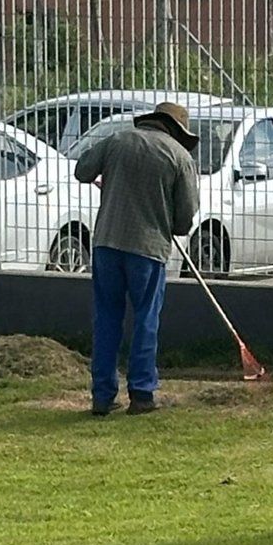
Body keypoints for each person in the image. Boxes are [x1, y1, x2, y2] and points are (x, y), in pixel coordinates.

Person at [73, 101, 201, 416]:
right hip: (147, 249)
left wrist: (109, 177)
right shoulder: (179, 157)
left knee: (106, 318)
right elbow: (185, 220)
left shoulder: (117, 140)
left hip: (106, 244)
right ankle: (142, 394)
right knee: (146, 319)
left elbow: (82, 171)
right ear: (176, 129)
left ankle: (102, 397)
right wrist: (165, 215)